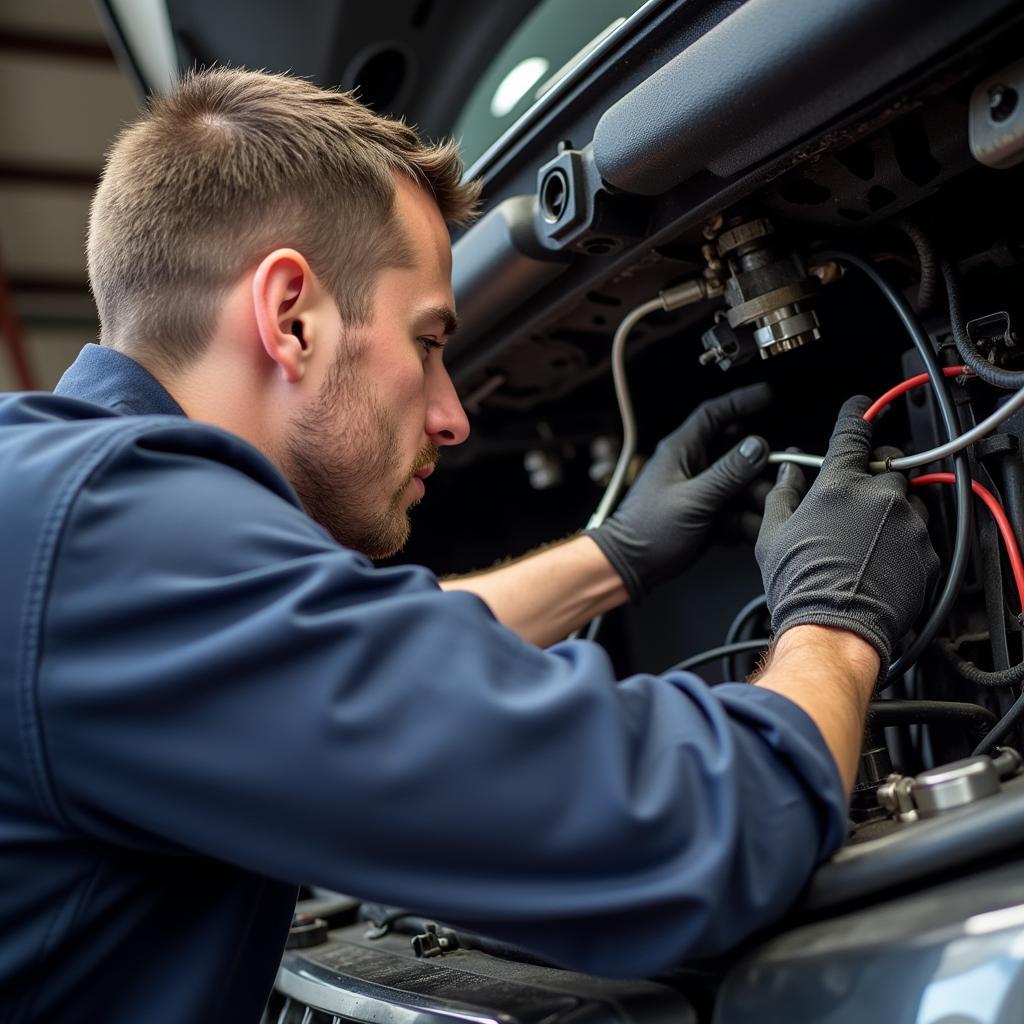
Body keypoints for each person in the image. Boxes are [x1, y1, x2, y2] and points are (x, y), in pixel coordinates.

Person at [0, 68, 939, 1022]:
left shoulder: (57, 504)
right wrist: (833, 622)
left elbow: (325, 653)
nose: (451, 418)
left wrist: (612, 555)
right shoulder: (115, 534)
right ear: (289, 316)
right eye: (429, 342)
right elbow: (690, 830)